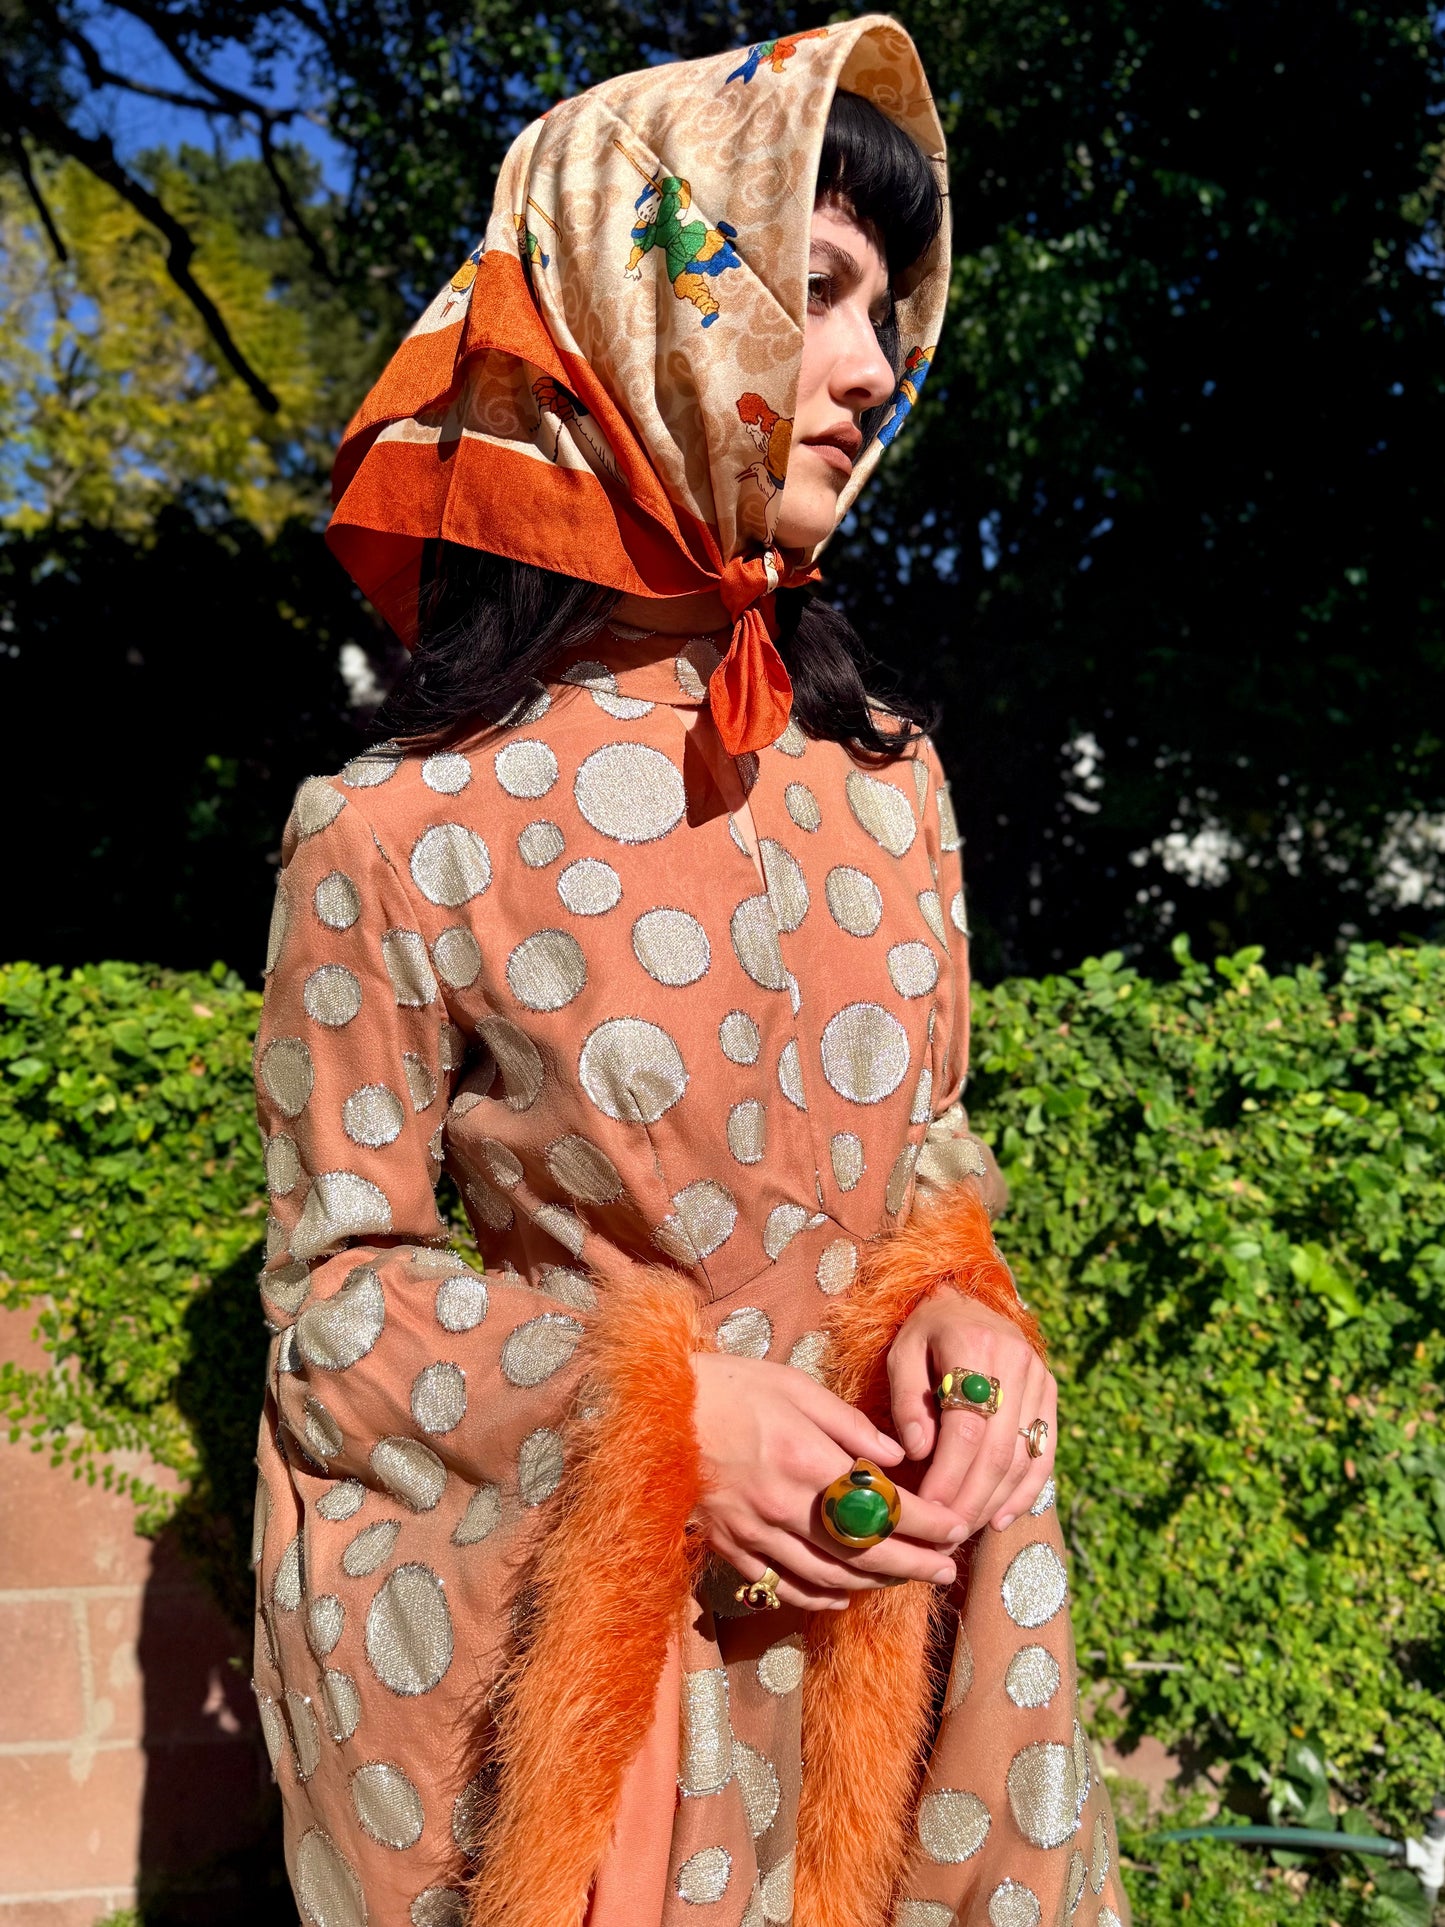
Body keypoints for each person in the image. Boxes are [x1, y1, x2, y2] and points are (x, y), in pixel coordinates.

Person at [250, 17, 1132, 1927]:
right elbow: (334, 1313)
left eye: (887, 307)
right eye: (814, 292)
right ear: (620, 318)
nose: (871, 369)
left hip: (907, 1634)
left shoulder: (890, 783)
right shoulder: (398, 834)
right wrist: (654, 1414)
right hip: (615, 1697)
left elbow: (926, 1161)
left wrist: (957, 1315)